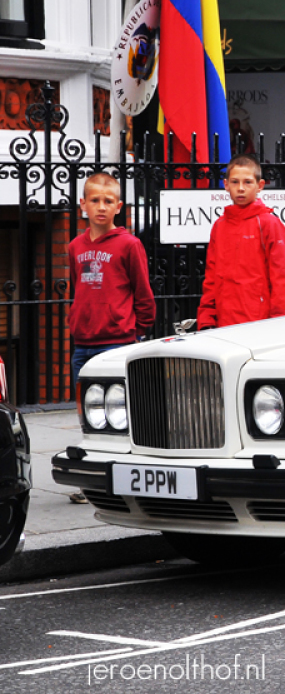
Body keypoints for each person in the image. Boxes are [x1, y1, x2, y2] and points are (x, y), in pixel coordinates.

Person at [68, 173, 155, 502]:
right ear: (83, 205)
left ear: (119, 206)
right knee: (89, 414)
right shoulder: (75, 246)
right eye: (94, 201)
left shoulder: (129, 245)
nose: (101, 207)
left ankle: (125, 474)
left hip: (116, 343)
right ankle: (90, 480)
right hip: (82, 344)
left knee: (120, 413)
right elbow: (78, 288)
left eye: (108, 202)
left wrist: (134, 331)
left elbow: (143, 295)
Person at [197, 155, 285, 330]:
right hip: (223, 322)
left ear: (260, 186)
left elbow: (282, 278)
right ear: (226, 185)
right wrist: (206, 319)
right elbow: (211, 277)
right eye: (235, 182)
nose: (241, 188)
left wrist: (281, 324)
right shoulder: (219, 226)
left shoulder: (269, 223)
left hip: (258, 324)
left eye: (248, 182)